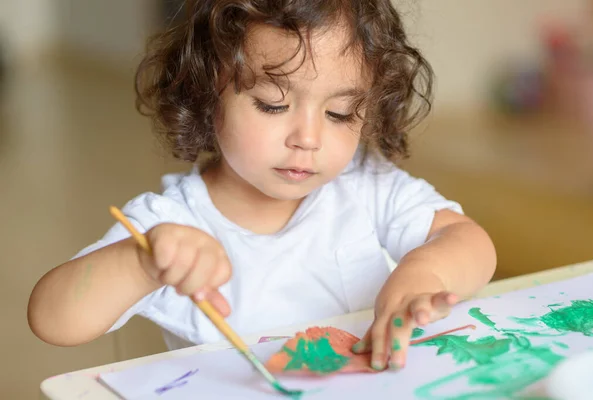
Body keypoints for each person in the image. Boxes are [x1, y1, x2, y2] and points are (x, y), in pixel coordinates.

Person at [28, 0, 496, 371]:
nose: (308, 139)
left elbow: (470, 243)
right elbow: (52, 321)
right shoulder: (171, 225)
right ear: (207, 91)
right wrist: (142, 263)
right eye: (273, 104)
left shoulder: (366, 185)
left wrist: (427, 273)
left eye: (338, 114)